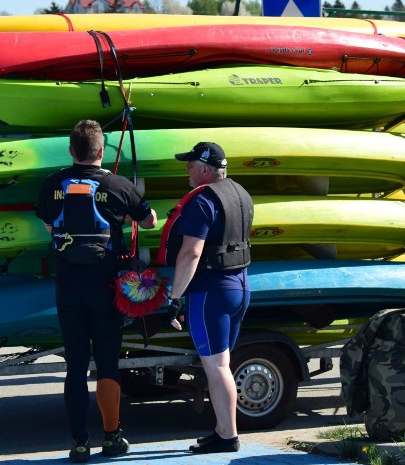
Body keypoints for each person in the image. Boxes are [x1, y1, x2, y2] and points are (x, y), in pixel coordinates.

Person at [36, 120, 157, 463]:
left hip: (68, 287)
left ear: (72, 151)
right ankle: (111, 437)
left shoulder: (51, 184)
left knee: (75, 367)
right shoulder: (118, 185)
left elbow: (48, 224)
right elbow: (149, 222)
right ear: (101, 152)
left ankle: (78, 443)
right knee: (107, 364)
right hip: (105, 288)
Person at [164, 142, 253, 454]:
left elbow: (191, 252)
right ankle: (221, 430)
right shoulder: (241, 193)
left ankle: (228, 435)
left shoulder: (203, 201)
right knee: (222, 362)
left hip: (211, 292)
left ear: (205, 168)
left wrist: (175, 297)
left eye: (190, 164)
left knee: (216, 366)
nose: (187, 169)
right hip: (240, 286)